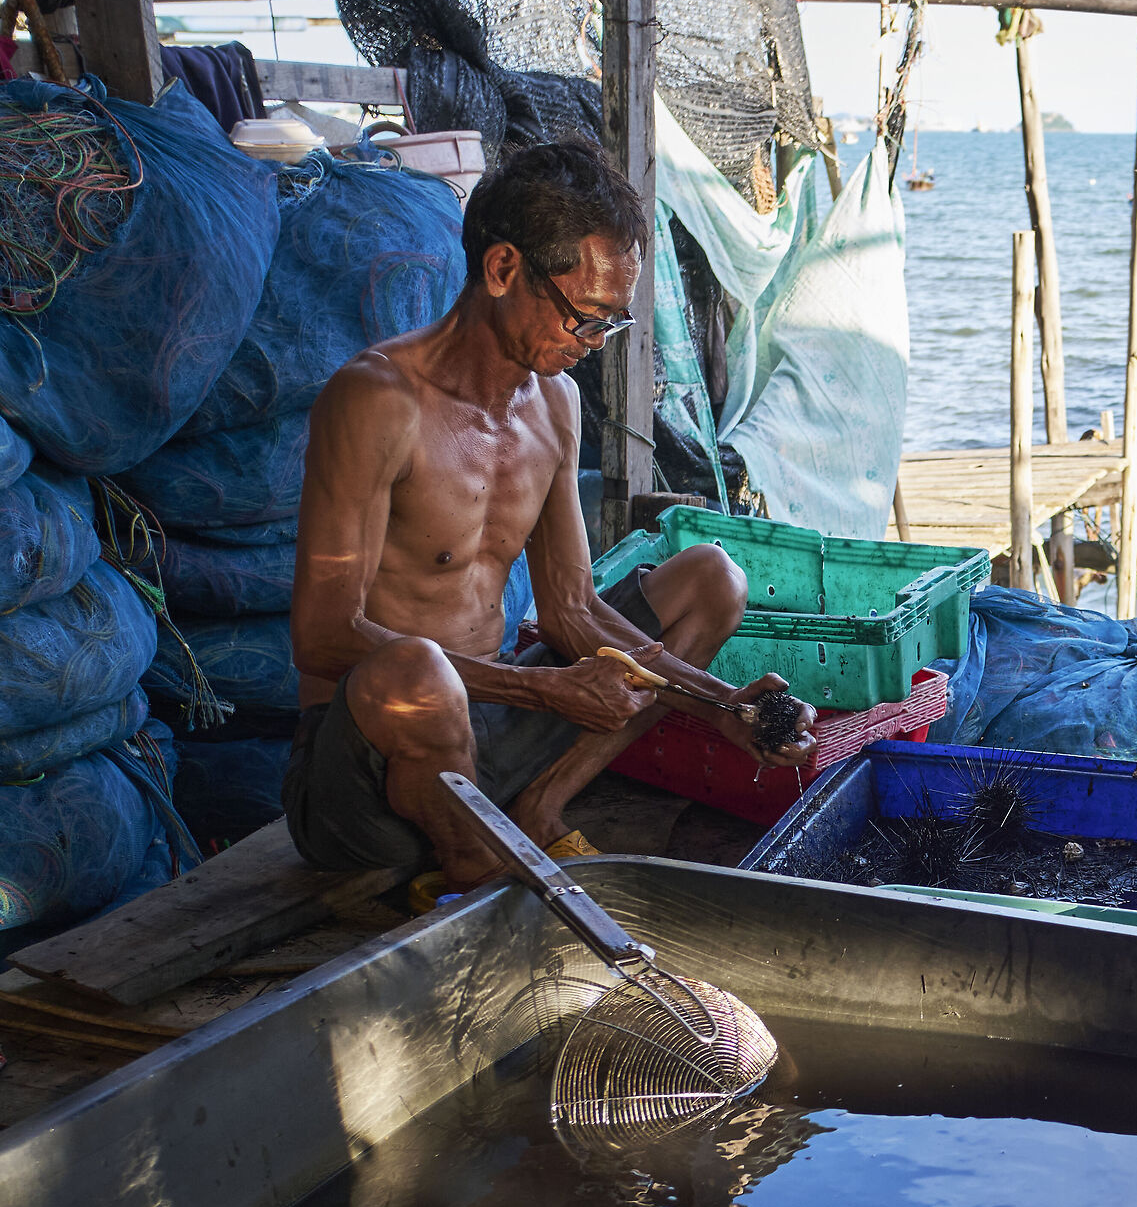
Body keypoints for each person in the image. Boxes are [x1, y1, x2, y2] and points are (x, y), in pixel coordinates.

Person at [286, 141, 815, 900]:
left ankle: (537, 808)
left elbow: (570, 613)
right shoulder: (378, 400)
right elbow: (326, 638)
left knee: (711, 579)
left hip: (490, 732)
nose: (592, 343)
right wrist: (545, 693)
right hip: (363, 782)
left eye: (610, 324)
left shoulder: (555, 405)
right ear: (503, 271)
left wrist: (717, 704)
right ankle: (473, 863)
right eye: (583, 317)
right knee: (417, 668)